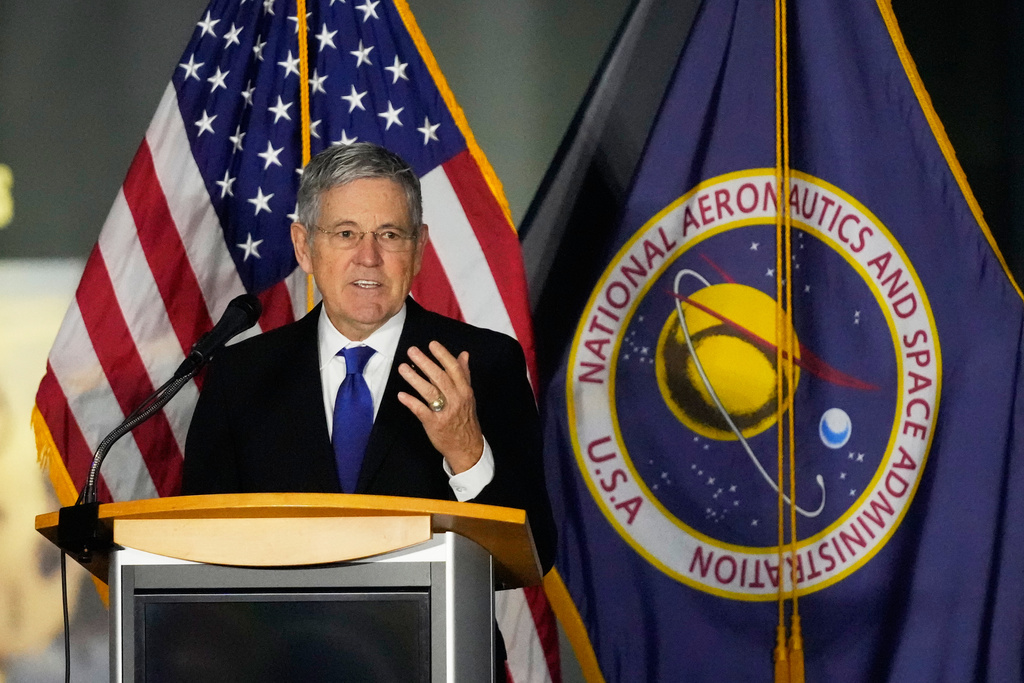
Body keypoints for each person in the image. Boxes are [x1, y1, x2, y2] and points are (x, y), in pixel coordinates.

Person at [180, 143, 556, 577]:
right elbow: (199, 550)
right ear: (304, 246)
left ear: (418, 248)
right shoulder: (242, 377)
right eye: (346, 233)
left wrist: (467, 452)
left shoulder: (484, 365)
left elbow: (533, 557)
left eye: (390, 235)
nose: (369, 257)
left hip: (432, 622)